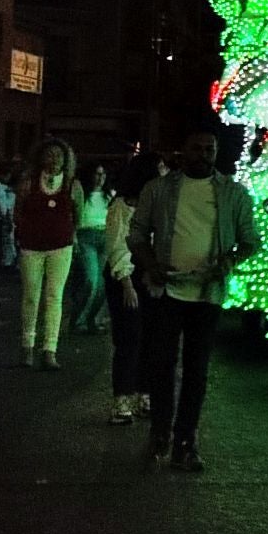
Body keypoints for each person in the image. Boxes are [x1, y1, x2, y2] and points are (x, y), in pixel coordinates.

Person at [127, 129, 259, 470]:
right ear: (183, 152)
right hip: (166, 289)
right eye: (197, 148)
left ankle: (186, 440)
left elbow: (249, 240)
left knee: (197, 371)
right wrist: (150, 264)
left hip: (207, 292)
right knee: (162, 364)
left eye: (210, 149)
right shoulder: (159, 189)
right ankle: (160, 432)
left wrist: (229, 261)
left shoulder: (233, 193)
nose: (204, 154)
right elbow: (137, 234)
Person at [102, 153, 165, 425]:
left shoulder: (158, 204)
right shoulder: (122, 206)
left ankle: (143, 394)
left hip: (150, 273)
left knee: (151, 338)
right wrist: (126, 283)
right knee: (129, 339)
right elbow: (118, 246)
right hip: (126, 275)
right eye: (160, 168)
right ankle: (121, 400)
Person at [14, 138, 84, 370]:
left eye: (59, 156)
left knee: (54, 297)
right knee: (31, 297)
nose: (54, 160)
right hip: (31, 246)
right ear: (41, 158)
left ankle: (50, 350)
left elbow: (78, 215)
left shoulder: (72, 185)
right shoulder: (28, 182)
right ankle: (27, 347)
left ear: (67, 160)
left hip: (61, 247)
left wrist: (71, 236)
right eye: (50, 155)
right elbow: (18, 210)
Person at [68, 162, 114, 333]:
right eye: (97, 174)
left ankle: (93, 319)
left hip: (105, 237)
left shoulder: (109, 195)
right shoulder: (81, 194)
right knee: (90, 280)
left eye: (103, 174)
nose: (100, 178)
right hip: (86, 236)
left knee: (102, 284)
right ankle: (78, 319)